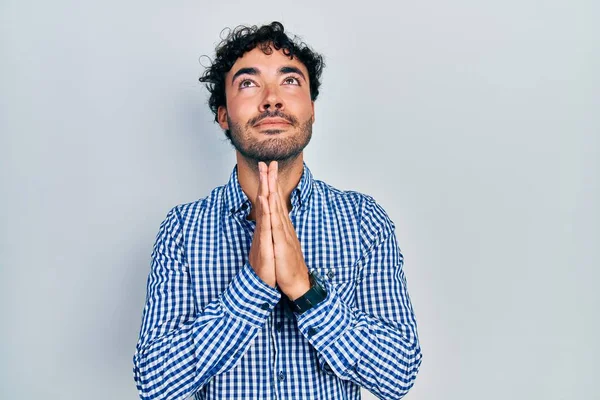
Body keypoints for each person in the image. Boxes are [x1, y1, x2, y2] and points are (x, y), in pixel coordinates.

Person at [132, 21, 422, 400]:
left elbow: (398, 373)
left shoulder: (364, 221)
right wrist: (252, 286)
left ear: (312, 110)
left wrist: (304, 288)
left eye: (289, 81)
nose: (271, 99)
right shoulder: (182, 229)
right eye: (248, 83)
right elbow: (155, 383)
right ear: (223, 115)